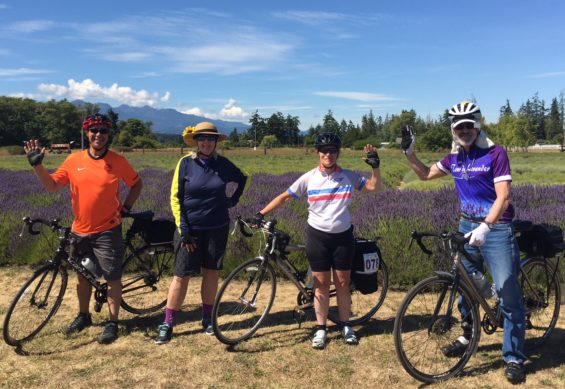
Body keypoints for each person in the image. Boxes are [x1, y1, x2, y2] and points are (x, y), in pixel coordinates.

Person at [400, 101, 526, 384]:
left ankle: (515, 356)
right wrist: (409, 153)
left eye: (469, 125)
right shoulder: (453, 158)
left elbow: (503, 196)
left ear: (477, 125)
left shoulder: (495, 154)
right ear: (454, 130)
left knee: (508, 292)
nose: (465, 130)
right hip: (466, 224)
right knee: (463, 282)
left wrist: (487, 225)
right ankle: (468, 334)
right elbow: (424, 174)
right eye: (460, 126)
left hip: (496, 227)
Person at [252, 132, 381, 349]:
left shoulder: (348, 176)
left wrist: (375, 167)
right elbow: (285, 196)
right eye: (324, 150)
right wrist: (260, 213)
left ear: (338, 153)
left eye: (332, 150)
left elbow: (374, 187)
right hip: (318, 237)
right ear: (317, 153)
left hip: (343, 237)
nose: (327, 154)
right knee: (321, 285)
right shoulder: (309, 177)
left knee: (342, 283)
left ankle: (345, 325)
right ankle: (321, 328)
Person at [23, 113, 143, 344]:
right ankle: (83, 315)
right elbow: (52, 186)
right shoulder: (73, 160)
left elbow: (136, 183)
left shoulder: (117, 161)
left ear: (109, 135)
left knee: (112, 277)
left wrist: (126, 207)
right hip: (80, 230)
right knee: (82, 277)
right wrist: (38, 166)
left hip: (108, 230)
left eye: (103, 131)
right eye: (94, 130)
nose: (98, 134)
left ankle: (112, 322)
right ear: (87, 133)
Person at [154, 122, 248, 344]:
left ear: (216, 142)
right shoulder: (185, 163)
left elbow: (243, 177)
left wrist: (232, 200)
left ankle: (207, 318)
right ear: (196, 141)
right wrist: (184, 229)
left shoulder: (223, 164)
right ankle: (167, 322)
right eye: (202, 138)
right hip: (190, 230)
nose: (206, 142)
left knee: (211, 273)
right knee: (181, 276)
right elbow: (175, 197)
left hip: (217, 227)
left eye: (210, 139)